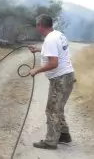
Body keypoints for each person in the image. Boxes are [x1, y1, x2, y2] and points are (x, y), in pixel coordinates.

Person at [28, 14, 76, 150]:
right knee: (58, 108)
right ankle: (64, 135)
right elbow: (56, 52)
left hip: (60, 79)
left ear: (40, 25)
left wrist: (36, 70)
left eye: (37, 25)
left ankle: (50, 141)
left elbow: (54, 63)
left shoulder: (49, 40)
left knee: (52, 110)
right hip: (68, 76)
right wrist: (38, 49)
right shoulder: (58, 34)